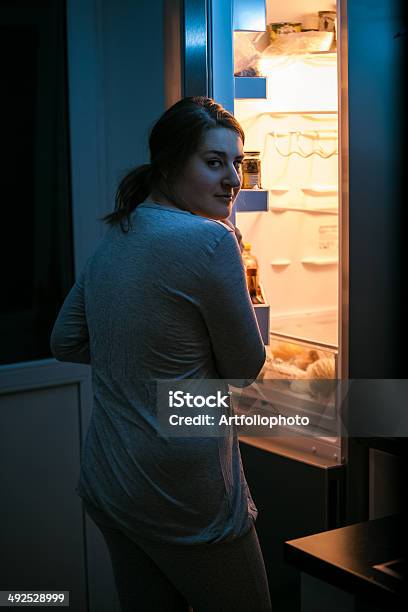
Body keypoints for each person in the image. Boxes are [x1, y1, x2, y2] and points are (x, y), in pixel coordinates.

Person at [50, 96, 271, 612]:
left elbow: (66, 341)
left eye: (236, 164)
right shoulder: (212, 241)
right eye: (214, 162)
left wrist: (146, 364)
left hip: (113, 478)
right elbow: (245, 369)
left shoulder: (121, 231)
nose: (233, 180)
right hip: (184, 493)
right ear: (169, 164)